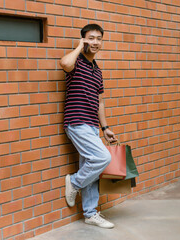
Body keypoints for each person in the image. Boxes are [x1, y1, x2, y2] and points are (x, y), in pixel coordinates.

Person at [59, 23, 117, 229]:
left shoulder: (97, 70)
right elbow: (64, 63)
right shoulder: (77, 62)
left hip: (92, 126)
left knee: (91, 169)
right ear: (84, 39)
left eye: (99, 38)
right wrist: (78, 47)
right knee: (102, 158)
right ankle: (74, 182)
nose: (96, 42)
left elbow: (100, 102)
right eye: (91, 38)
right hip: (77, 122)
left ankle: (90, 213)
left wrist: (105, 128)